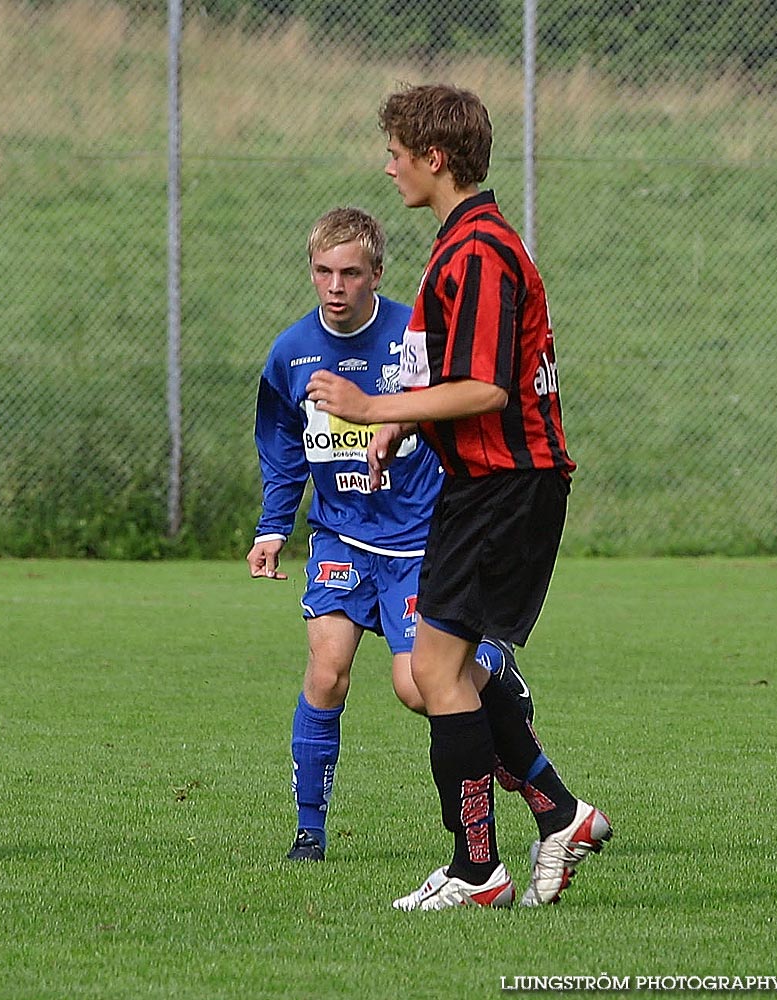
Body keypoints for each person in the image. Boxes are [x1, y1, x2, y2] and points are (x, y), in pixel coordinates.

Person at [304, 85, 611, 909]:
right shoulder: (465, 242)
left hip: (504, 487)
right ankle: (555, 814)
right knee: (440, 673)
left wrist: (375, 407)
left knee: (436, 672)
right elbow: (456, 376)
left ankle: (480, 870)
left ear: (435, 159)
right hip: (491, 485)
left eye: (398, 150)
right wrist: (400, 427)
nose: (390, 163)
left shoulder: (476, 251)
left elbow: (484, 389)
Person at [247, 206, 548, 868]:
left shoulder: (414, 337)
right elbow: (281, 446)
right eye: (323, 271)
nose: (335, 286)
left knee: (417, 688)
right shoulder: (291, 352)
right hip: (340, 536)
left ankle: (494, 671)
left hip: (420, 540)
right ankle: (309, 832)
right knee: (326, 671)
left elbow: (459, 405)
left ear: (376, 273)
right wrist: (273, 526)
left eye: (350, 273)